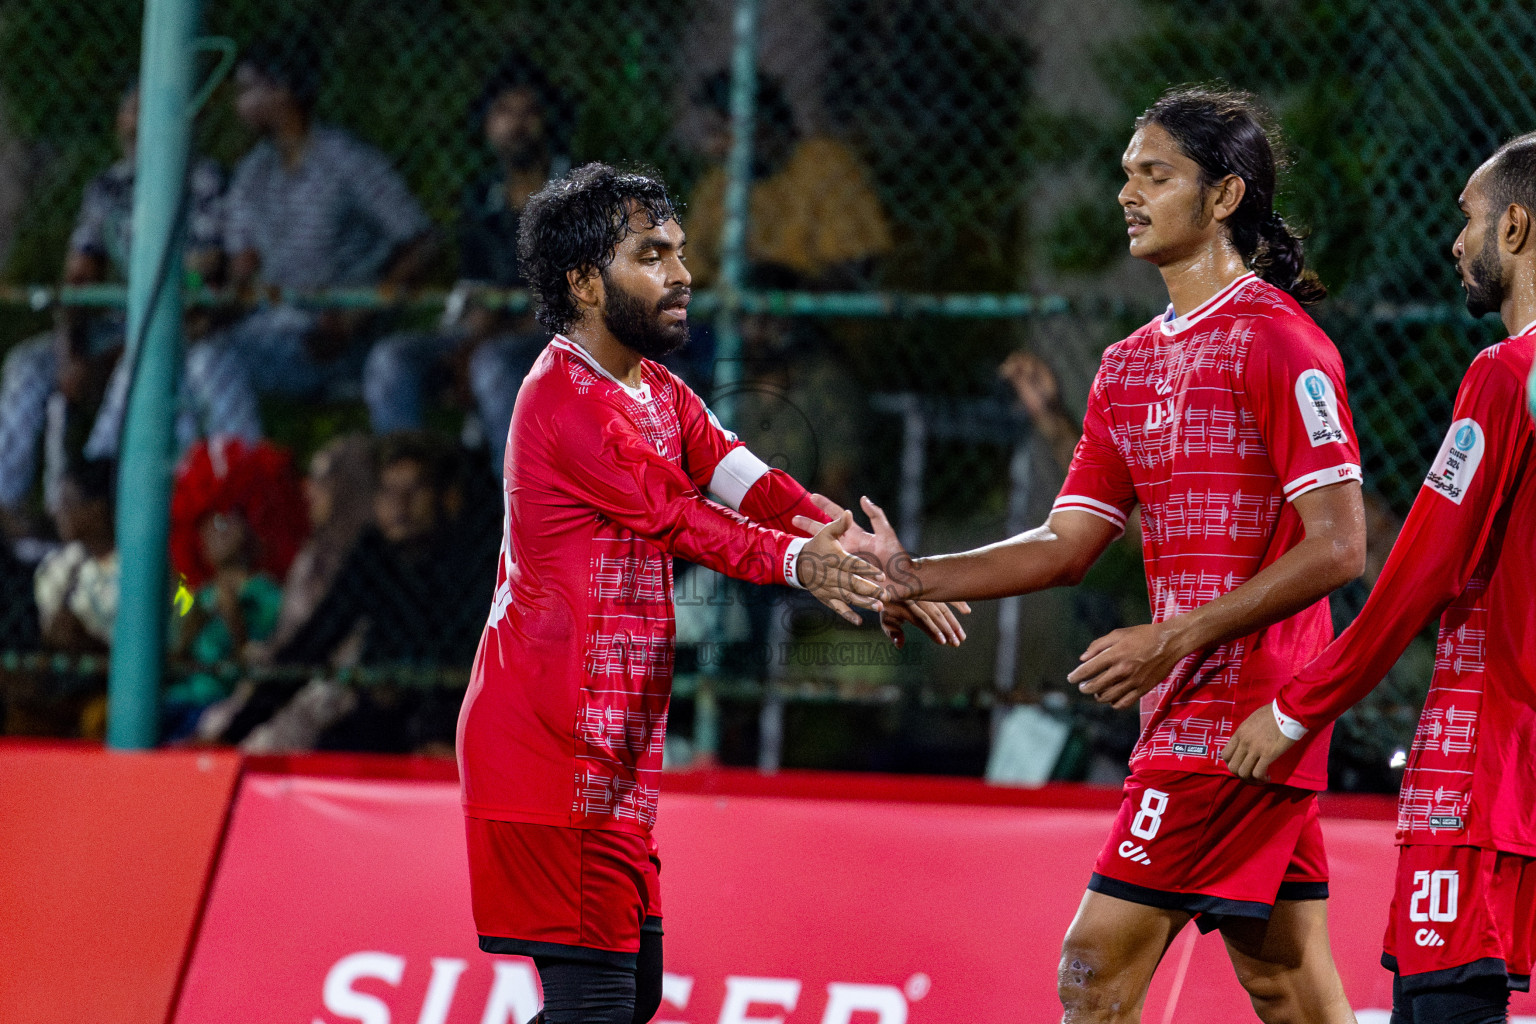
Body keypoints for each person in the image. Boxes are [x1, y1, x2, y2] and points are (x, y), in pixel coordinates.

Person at [829, 88, 1367, 1023]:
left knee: (1092, 971)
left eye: (1155, 175)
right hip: (1195, 707)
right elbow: (1067, 540)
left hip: (1242, 715)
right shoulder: (1125, 366)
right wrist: (917, 575)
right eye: (1126, 174)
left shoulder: (1282, 341)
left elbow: (1341, 543)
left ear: (1225, 196)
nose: (1128, 192)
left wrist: (1173, 637)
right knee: (1287, 983)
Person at [456, 162, 960, 1024]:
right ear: (584, 282)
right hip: (547, 742)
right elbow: (678, 518)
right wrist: (805, 565)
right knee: (599, 1007)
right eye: (652, 255)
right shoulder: (568, 399)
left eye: (680, 252)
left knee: (626, 998)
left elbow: (746, 479)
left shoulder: (652, 387)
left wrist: (857, 546)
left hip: (607, 747)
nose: (683, 275)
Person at [1224, 133, 1536, 1024]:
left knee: (1444, 1008)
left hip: (1487, 759)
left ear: (1513, 227)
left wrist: (1296, 707)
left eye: (1466, 220)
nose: (1454, 243)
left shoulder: (1506, 373)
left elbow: (1422, 572)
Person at [0, 84, 255, 531]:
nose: (133, 129)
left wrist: (114, 352)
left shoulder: (209, 183)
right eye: (127, 117)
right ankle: (9, 508)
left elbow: (219, 275)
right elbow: (79, 277)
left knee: (138, 368)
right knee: (26, 366)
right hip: (114, 323)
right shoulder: (109, 187)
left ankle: (91, 506)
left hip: (180, 328)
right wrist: (71, 352)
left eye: (145, 119)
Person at [364, 58, 569, 470]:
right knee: (391, 358)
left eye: (530, 113)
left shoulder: (576, 192)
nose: (517, 125)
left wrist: (477, 347)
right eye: (504, 113)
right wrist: (468, 342)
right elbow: (476, 291)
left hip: (557, 337)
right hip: (488, 333)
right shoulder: (482, 199)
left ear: (550, 122)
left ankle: (509, 506)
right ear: (487, 123)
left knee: (492, 366)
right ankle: (412, 489)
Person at [219, 37, 436, 403]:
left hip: (341, 334)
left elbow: (423, 241)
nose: (237, 103)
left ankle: (244, 460)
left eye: (247, 89)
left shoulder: (346, 160)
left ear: (282, 90)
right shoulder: (253, 171)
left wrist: (351, 319)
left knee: (216, 363)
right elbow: (242, 264)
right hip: (271, 324)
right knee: (194, 358)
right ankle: (237, 460)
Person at [683, 72, 892, 289]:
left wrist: (777, 288)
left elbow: (856, 264)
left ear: (759, 125)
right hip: (729, 313)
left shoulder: (823, 163)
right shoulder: (717, 183)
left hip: (808, 307)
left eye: (718, 133)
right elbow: (694, 274)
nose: (710, 148)